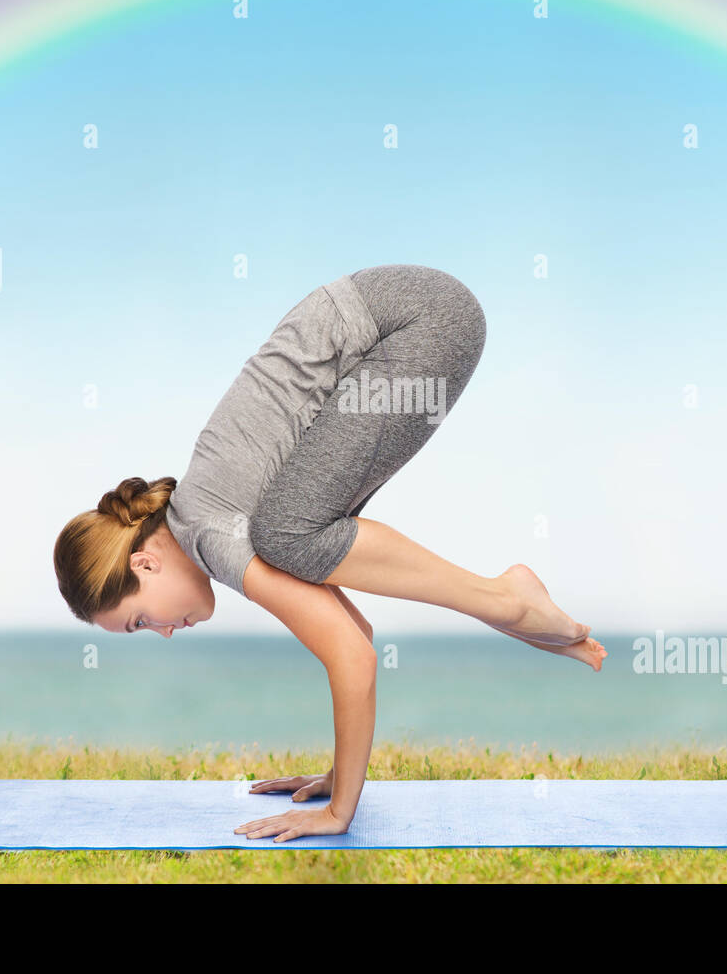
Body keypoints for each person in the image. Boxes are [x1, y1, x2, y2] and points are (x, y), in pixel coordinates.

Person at [53, 264, 605, 842]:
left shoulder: (213, 536)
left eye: (139, 621)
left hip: (412, 322)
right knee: (293, 534)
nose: (162, 632)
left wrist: (339, 811)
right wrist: (339, 773)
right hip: (416, 319)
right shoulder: (210, 519)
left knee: (286, 534)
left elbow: (351, 659)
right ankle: (507, 603)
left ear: (144, 563)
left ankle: (506, 600)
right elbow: (354, 635)